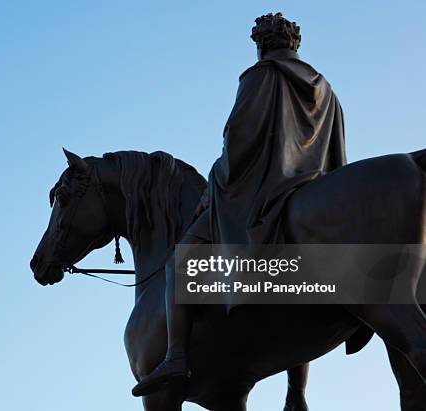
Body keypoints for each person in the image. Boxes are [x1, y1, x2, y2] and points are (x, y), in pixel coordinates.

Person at [132, 12, 347, 397]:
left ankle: (176, 355)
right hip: (311, 186)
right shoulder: (325, 88)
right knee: (303, 282)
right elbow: (334, 148)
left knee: (182, 259)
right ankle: (297, 393)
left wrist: (213, 184)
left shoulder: (260, 76)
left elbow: (239, 137)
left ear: (261, 45)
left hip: (263, 190)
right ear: (294, 43)